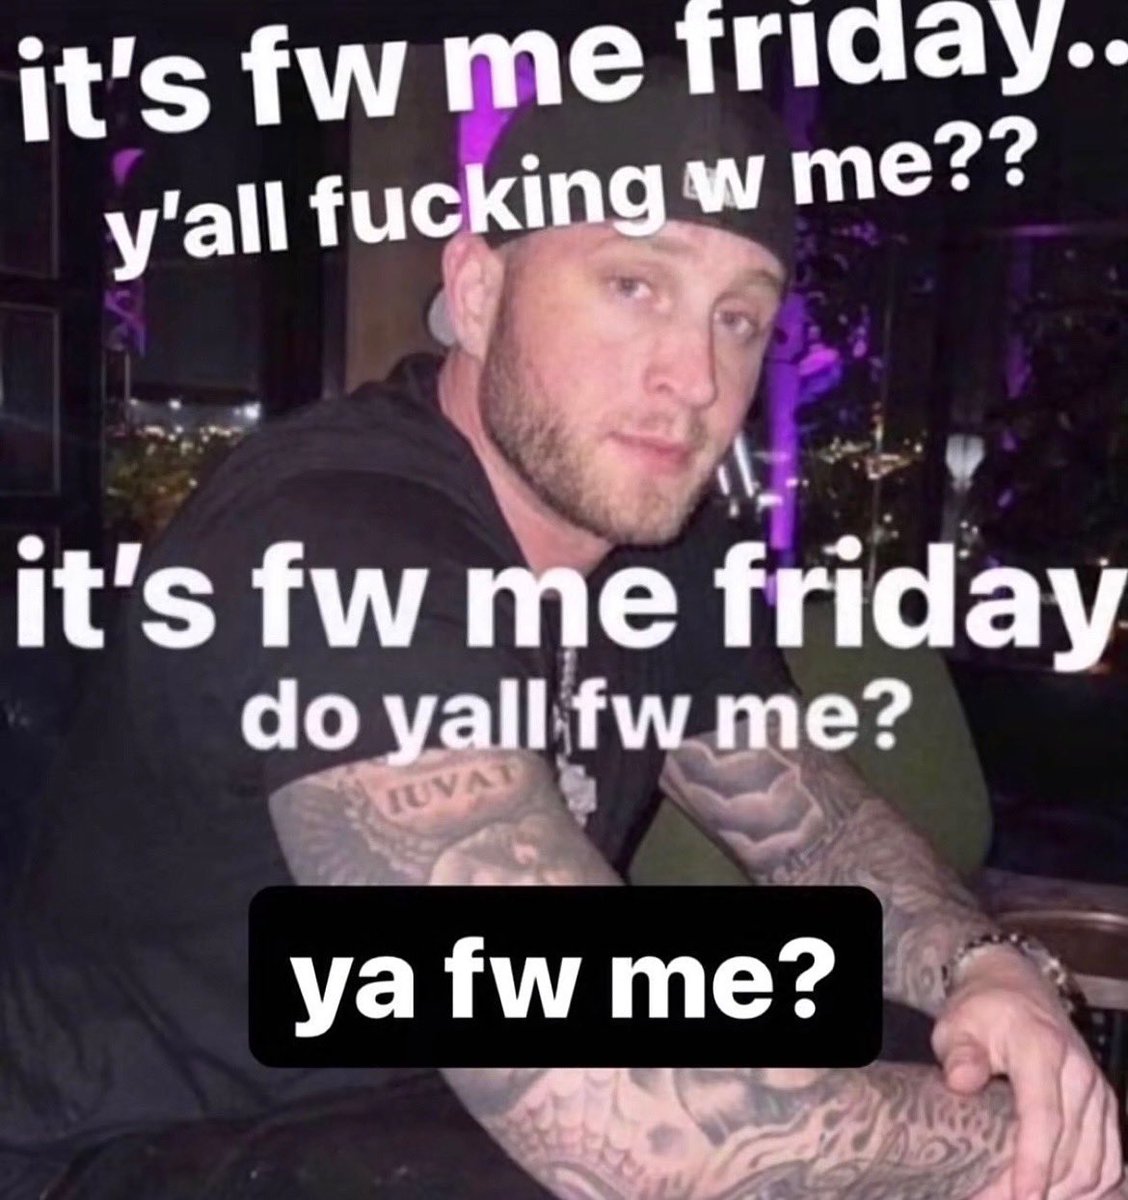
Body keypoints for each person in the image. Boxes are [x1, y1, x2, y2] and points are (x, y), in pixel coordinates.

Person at [1, 62, 1123, 1200]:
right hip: (142, 1148)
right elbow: (626, 1125)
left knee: (906, 1040)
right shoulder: (338, 537)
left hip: (418, 1094)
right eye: (634, 284)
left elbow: (810, 830)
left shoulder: (660, 543)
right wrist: (1046, 1153)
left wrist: (984, 969)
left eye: (739, 317)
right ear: (478, 290)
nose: (695, 377)